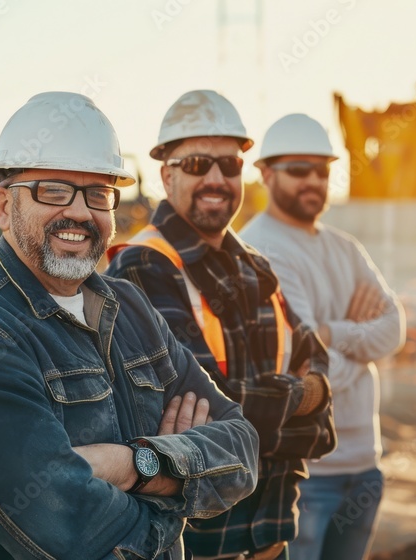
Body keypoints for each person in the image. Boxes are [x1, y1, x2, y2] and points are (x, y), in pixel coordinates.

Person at [0, 91, 260, 560]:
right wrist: (177, 498)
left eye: (98, 193)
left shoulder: (130, 307)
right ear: (2, 205)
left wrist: (137, 464)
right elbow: (72, 534)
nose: (79, 212)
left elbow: (242, 448)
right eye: (53, 190)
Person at [106, 90, 337, 560]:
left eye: (229, 165)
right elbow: (187, 415)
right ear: (167, 174)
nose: (216, 178)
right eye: (196, 163)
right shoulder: (142, 268)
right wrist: (297, 403)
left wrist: (248, 422)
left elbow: (323, 416)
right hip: (197, 546)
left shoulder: (258, 268)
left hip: (272, 541)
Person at [240, 114, 406, 560]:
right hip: (304, 474)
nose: (313, 180)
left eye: (322, 169)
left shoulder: (345, 247)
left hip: (365, 467)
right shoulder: (259, 251)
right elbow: (299, 368)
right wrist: (353, 345)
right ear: (267, 173)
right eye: (299, 170)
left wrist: (332, 333)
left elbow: (394, 328)